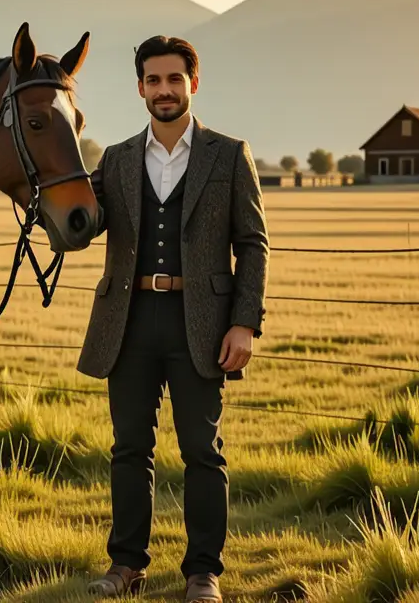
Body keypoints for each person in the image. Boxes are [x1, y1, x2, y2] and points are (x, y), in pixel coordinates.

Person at [78, 35, 269, 602]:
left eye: (174, 79)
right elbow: (80, 226)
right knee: (129, 448)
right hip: (129, 320)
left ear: (193, 83)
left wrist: (244, 323)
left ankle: (203, 572)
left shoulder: (229, 154)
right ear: (140, 87)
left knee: (202, 453)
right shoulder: (113, 159)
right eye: (153, 80)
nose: (164, 90)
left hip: (203, 325)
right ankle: (126, 565)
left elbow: (253, 244)